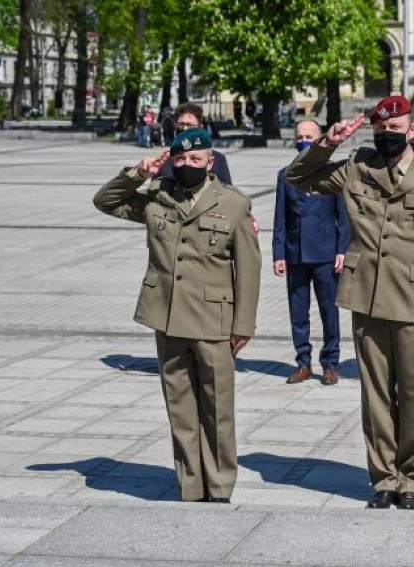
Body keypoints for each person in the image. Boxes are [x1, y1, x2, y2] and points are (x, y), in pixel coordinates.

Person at [286, 96, 414, 511]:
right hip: (366, 296)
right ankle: (384, 477)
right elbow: (298, 177)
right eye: (381, 130)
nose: (387, 135)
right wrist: (327, 143)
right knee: (376, 396)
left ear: (412, 129)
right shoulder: (357, 167)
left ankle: (413, 481)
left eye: (395, 128)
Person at [93, 128, 261, 502]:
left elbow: (248, 271)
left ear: (210, 162)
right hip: (167, 315)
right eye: (180, 160)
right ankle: (190, 484)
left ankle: (218, 487)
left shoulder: (233, 203)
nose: (187, 166)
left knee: (218, 408)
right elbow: (105, 201)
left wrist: (243, 325)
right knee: (180, 406)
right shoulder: (158, 196)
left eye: (195, 159)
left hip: (213, 321)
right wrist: (138, 173)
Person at [273, 120, 348, 386]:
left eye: (309, 136)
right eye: (300, 136)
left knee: (329, 311)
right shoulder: (285, 175)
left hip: (326, 254)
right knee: (298, 312)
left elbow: (343, 216)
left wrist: (342, 250)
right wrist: (278, 254)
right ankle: (303, 362)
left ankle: (330, 364)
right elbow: (280, 217)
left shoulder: (333, 174)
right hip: (296, 255)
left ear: (320, 140)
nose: (303, 140)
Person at [159, 102, 232, 184]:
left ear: (200, 127)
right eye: (181, 124)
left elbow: (226, 189)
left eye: (189, 125)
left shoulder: (218, 159)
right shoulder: (166, 158)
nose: (185, 128)